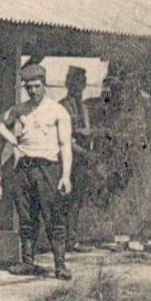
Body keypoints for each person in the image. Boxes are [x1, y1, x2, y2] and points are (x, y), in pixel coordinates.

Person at [0, 63, 74, 279]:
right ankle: (27, 262)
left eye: (37, 86)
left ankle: (60, 265)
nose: (33, 91)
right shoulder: (20, 109)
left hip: (48, 168)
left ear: (45, 85)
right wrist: (12, 139)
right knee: (26, 216)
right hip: (24, 167)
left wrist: (65, 176)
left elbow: (65, 146)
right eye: (29, 87)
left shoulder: (58, 111)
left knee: (53, 216)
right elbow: (0, 124)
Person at [61, 67, 93, 250]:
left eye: (81, 83)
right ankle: (67, 240)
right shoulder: (63, 106)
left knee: (77, 200)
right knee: (67, 200)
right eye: (75, 83)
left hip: (82, 159)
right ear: (67, 84)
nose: (78, 87)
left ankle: (72, 238)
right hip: (69, 158)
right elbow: (66, 139)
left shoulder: (85, 107)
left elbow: (86, 131)